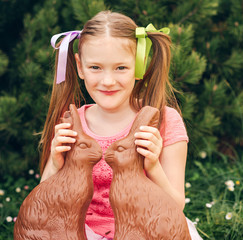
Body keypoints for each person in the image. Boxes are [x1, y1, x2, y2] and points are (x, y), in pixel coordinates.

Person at [39, 10, 202, 240]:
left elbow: (176, 207)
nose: (107, 81)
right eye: (95, 67)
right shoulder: (71, 123)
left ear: (139, 64)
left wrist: (153, 166)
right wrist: (54, 165)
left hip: (146, 228)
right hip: (82, 230)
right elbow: (44, 202)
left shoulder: (165, 121)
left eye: (120, 68)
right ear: (79, 66)